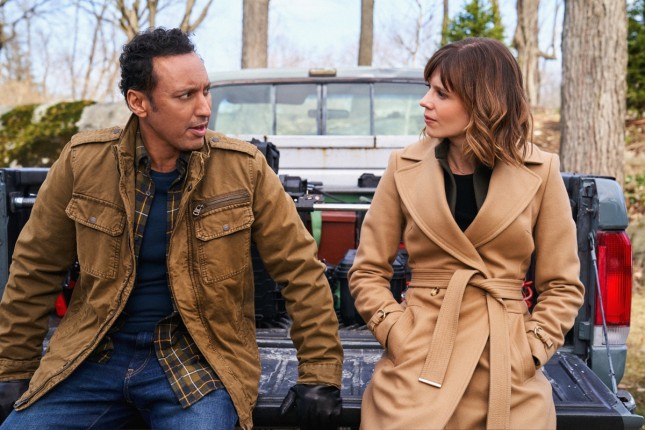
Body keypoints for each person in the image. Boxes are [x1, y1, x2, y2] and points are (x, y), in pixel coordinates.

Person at [0, 27, 342, 430]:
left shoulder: (244, 168)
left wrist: (320, 373)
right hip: (92, 355)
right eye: (185, 96)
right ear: (139, 102)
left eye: (206, 91)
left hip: (198, 360)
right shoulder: (82, 162)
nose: (205, 108)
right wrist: (12, 367)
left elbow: (300, 271)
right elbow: (35, 269)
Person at [348, 37, 585, 429]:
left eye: (441, 93)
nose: (425, 102)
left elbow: (562, 284)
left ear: (482, 101)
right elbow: (368, 271)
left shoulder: (541, 171)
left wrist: (530, 351)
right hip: (419, 361)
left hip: (505, 365)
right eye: (429, 89)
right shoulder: (403, 167)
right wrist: (396, 333)